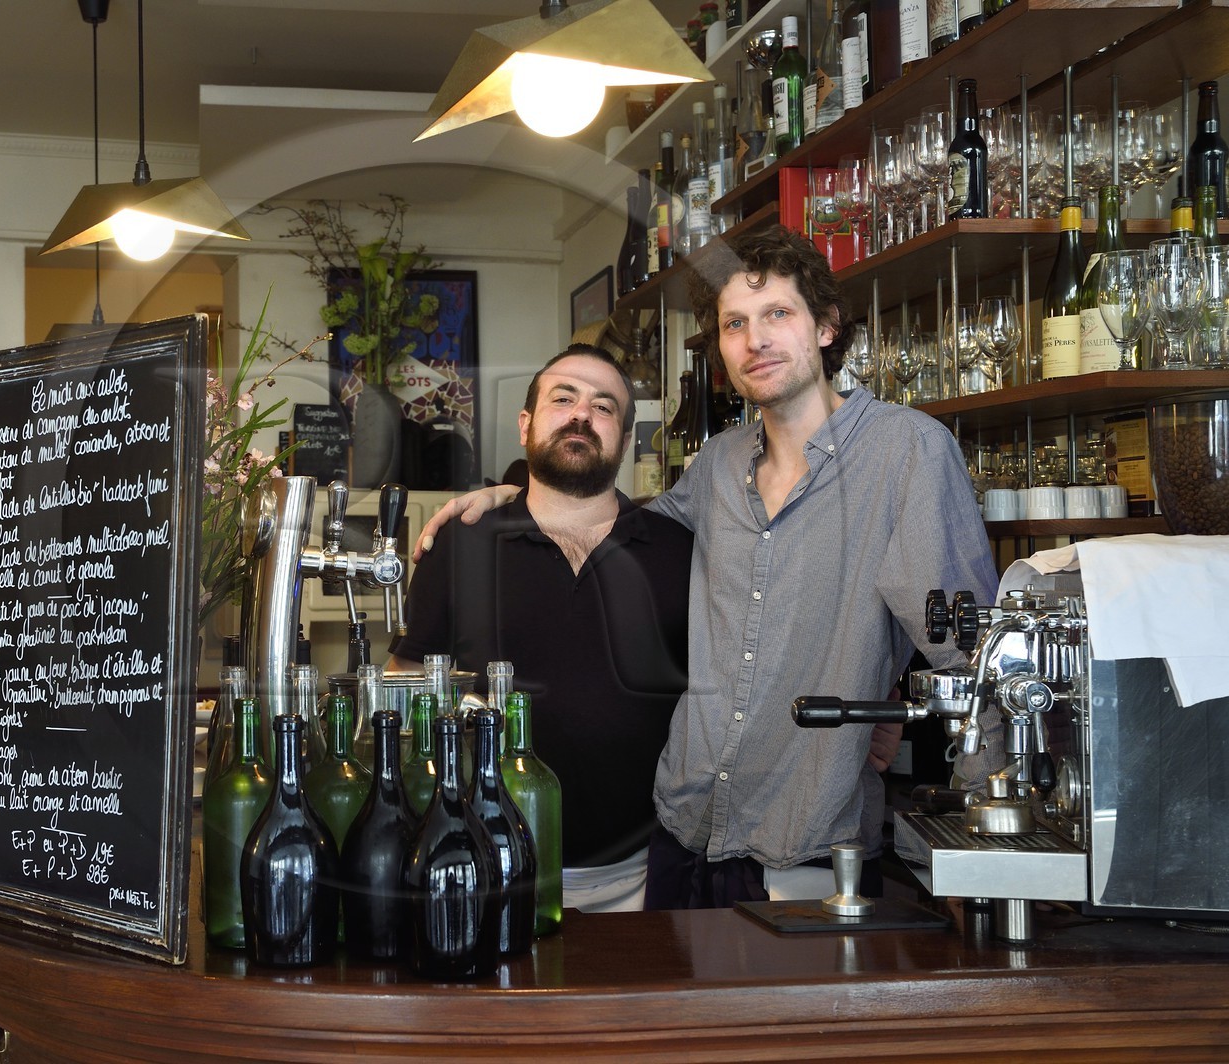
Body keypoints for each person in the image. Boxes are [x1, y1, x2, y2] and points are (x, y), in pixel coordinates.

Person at [415, 226, 999, 908]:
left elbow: (978, 663)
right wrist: (509, 495)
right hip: (683, 832)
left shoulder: (908, 453)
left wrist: (992, 854)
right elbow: (608, 516)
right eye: (735, 324)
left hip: (804, 839)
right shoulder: (719, 464)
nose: (756, 340)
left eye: (778, 314)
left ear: (828, 327)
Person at [389, 344, 693, 912]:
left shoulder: (679, 550)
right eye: (564, 399)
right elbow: (403, 685)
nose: (582, 415)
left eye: (605, 407)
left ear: (626, 441)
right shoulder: (462, 542)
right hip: (483, 866)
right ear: (526, 426)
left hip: (643, 875)